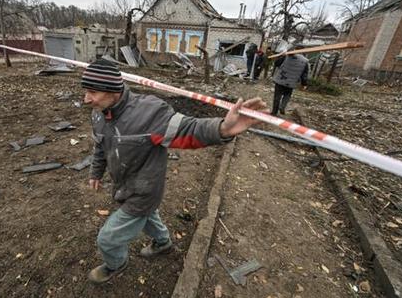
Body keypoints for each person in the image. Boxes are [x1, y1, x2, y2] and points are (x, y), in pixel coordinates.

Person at [81, 59, 268, 284]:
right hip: (124, 186)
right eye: (86, 91)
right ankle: (163, 243)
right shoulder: (99, 113)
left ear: (113, 90)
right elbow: (100, 145)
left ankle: (115, 263)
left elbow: (188, 129)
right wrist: (95, 171)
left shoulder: (149, 112)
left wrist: (223, 129)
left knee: (108, 239)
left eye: (92, 91)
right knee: (149, 216)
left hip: (144, 191)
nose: (86, 99)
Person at [271, 48, 309, 116]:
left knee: (277, 96)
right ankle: (282, 107)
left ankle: (274, 112)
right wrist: (304, 84)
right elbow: (304, 74)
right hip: (291, 82)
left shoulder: (287, 56)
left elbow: (276, 63)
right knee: (287, 95)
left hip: (280, 80)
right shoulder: (305, 61)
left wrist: (281, 56)